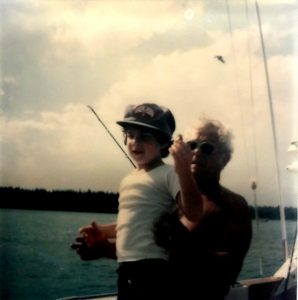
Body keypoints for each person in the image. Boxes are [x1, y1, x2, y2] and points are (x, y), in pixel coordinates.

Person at [72, 103, 182, 300]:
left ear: (164, 143)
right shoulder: (127, 180)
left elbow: (189, 211)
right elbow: (132, 221)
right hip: (125, 267)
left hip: (154, 267)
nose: (135, 142)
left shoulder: (170, 174)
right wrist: (102, 231)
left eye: (145, 137)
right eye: (130, 135)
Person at [155, 117, 253, 300]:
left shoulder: (233, 205)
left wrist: (182, 240)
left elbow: (228, 270)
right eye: (191, 145)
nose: (197, 152)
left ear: (225, 159)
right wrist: (105, 246)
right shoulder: (168, 198)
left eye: (207, 148)